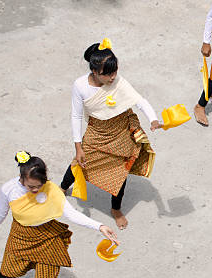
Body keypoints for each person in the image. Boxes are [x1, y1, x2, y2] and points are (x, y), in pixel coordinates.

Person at [0, 152, 119, 278]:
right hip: (21, 236)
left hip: (48, 237)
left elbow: (70, 213)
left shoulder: (51, 189)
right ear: (21, 178)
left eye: (39, 186)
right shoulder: (9, 190)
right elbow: (0, 214)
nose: (35, 190)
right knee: (8, 271)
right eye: (31, 186)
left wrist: (99, 226)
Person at [60, 40, 162, 230]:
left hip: (121, 132)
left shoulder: (118, 81)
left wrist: (153, 119)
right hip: (97, 132)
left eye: (115, 71)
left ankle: (116, 209)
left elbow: (140, 100)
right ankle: (62, 188)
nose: (113, 77)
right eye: (108, 74)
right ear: (95, 71)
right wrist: (78, 145)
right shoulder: (80, 86)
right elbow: (76, 115)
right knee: (80, 161)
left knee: (120, 172)